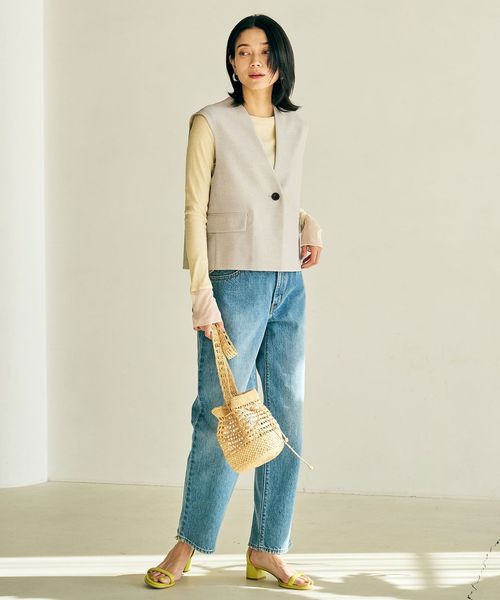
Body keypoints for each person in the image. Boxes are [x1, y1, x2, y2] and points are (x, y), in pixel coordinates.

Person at [145, 13, 323, 591]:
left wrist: (309, 222)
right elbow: (195, 207)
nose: (254, 61)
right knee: (219, 413)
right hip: (233, 281)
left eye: (265, 51)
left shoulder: (296, 125)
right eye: (243, 51)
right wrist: (201, 290)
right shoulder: (210, 122)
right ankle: (187, 543)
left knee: (287, 414)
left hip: (287, 282)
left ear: (281, 61)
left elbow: (275, 195)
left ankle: (268, 548)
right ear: (231, 62)